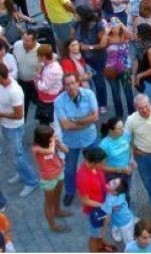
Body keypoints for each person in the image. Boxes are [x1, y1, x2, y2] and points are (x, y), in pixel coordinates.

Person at [0, 63, 40, 197]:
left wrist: (1, 114)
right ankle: (21, 173)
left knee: (17, 155)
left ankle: (32, 181)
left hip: (14, 127)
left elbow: (19, 114)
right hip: (7, 126)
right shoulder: (3, 85)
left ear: (0, 76)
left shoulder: (14, 91)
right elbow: (3, 100)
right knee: (16, 152)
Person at [55, 73, 99, 207]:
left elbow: (95, 117)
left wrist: (75, 121)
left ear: (78, 82)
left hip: (89, 138)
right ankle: (70, 191)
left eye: (73, 83)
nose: (71, 86)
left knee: (95, 165)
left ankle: (95, 188)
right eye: (67, 84)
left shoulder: (89, 94)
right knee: (69, 169)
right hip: (71, 141)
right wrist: (86, 121)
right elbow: (65, 125)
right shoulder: (58, 101)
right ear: (64, 86)